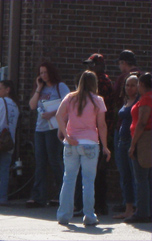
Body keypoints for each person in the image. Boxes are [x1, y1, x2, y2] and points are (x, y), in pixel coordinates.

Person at [56, 70, 110, 226]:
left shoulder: (70, 97)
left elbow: (59, 115)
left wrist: (66, 136)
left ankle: (64, 215)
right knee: (88, 181)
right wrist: (105, 146)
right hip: (90, 143)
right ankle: (89, 215)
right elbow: (102, 125)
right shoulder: (97, 100)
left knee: (68, 179)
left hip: (72, 143)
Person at [26, 62, 70, 208]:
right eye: (41, 73)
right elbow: (32, 105)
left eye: (45, 72)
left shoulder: (60, 87)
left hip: (54, 128)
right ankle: (39, 196)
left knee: (54, 160)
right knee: (40, 162)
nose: (43, 75)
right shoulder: (42, 88)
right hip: (41, 129)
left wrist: (53, 113)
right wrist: (38, 88)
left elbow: (68, 104)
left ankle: (62, 194)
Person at [111, 49, 141, 214]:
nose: (129, 87)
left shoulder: (138, 98)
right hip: (122, 138)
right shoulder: (126, 98)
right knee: (125, 173)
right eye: (127, 85)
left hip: (132, 139)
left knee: (134, 174)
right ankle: (129, 206)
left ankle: (136, 206)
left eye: (133, 85)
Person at [125, 72, 152, 223]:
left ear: (141, 85)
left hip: (144, 140)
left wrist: (133, 144)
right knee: (148, 178)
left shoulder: (147, 99)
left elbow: (142, 123)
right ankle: (148, 211)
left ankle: (142, 212)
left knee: (141, 178)